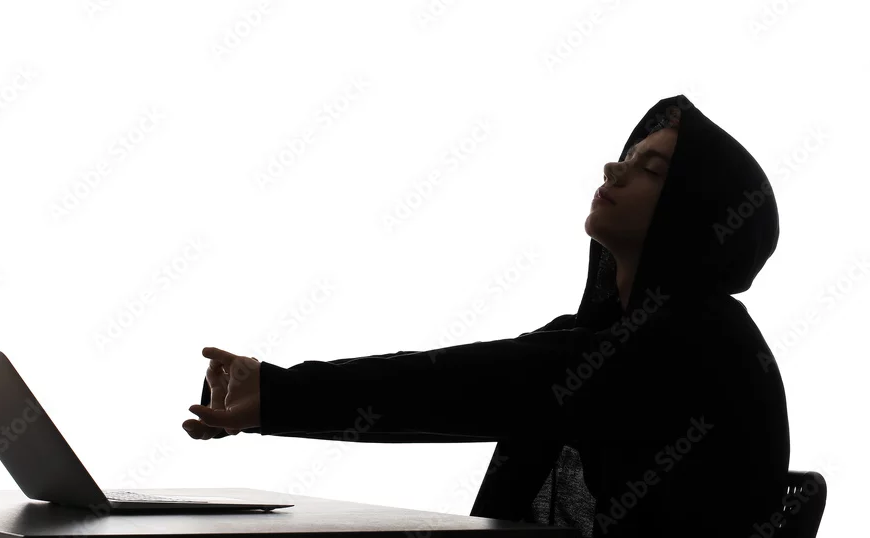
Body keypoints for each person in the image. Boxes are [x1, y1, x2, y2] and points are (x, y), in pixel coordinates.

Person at [181, 95, 790, 538]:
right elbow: (471, 375)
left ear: (694, 214)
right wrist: (275, 393)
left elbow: (471, 385)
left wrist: (278, 394)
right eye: (627, 157)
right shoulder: (612, 333)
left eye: (651, 170)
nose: (614, 170)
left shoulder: (694, 339)